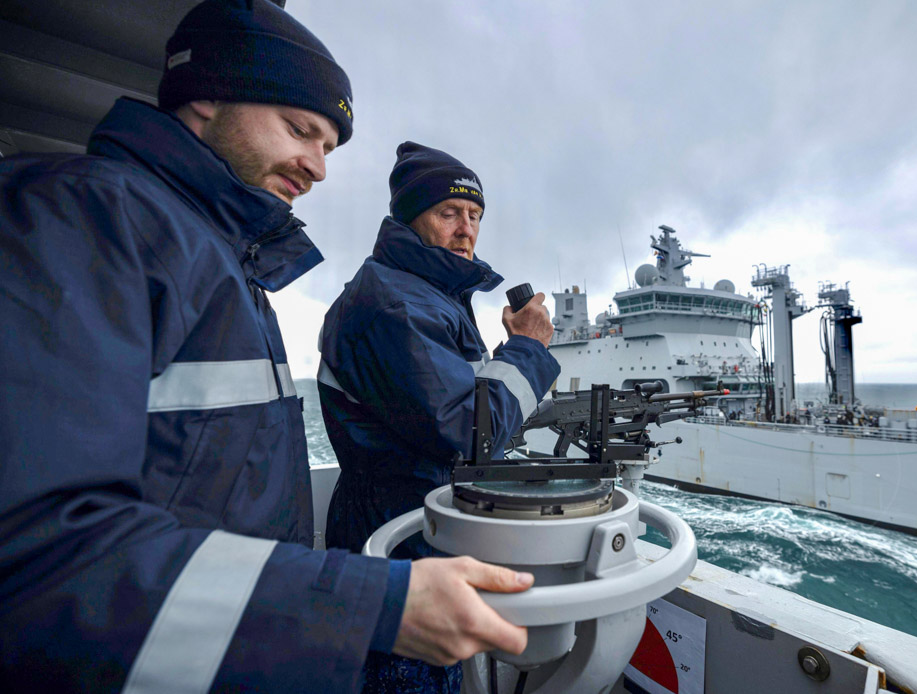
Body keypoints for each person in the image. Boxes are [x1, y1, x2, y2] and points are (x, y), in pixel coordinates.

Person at [0, 1, 530, 691]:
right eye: (300, 130)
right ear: (207, 95)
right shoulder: (81, 221)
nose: (318, 167)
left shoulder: (226, 261)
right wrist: (372, 604)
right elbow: (40, 556)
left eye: (330, 148)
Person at [317, 142, 561, 692]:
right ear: (409, 218)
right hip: (403, 553)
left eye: (474, 215)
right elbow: (465, 434)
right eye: (449, 213)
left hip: (417, 534)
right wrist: (526, 348)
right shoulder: (397, 305)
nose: (466, 229)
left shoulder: (429, 296)